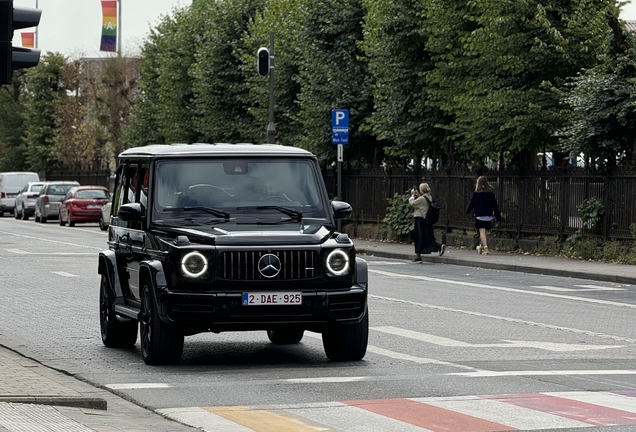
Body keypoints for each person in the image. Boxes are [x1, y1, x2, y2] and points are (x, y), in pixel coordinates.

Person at [409, 182, 445, 261]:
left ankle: (418, 255)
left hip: (420, 219)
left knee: (419, 237)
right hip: (426, 219)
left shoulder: (421, 199)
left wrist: (412, 195)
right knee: (427, 237)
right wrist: (418, 195)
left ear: (421, 190)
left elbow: (412, 203)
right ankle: (438, 246)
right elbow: (423, 202)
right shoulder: (429, 197)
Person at [465, 176, 501, 255]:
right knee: (485, 233)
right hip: (489, 216)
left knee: (482, 231)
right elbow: (495, 206)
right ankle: (481, 246)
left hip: (479, 215)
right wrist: (498, 216)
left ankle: (485, 248)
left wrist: (467, 211)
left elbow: (471, 204)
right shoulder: (490, 194)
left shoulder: (476, 194)